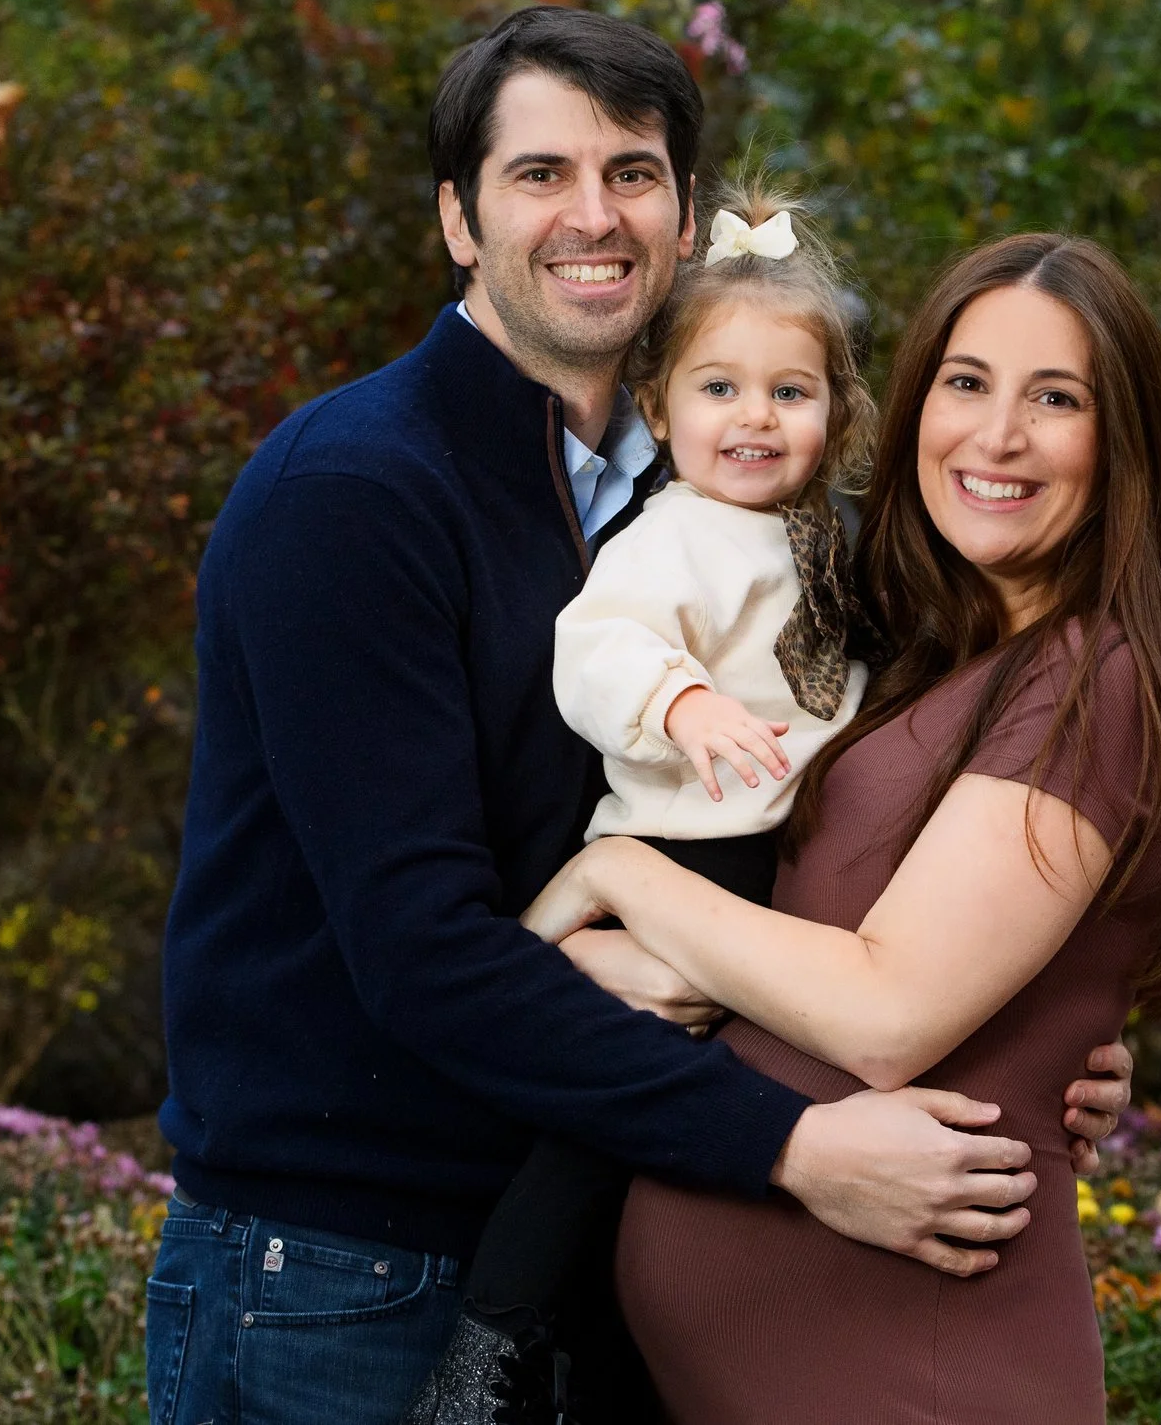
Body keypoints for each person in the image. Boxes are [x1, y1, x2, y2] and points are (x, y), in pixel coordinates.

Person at [144, 7, 1132, 1425]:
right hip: (350, 1267)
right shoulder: (354, 496)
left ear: (683, 215)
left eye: (632, 172)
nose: (593, 214)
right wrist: (792, 1142)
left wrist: (1039, 1033)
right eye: (539, 173)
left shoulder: (710, 492)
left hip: (609, 1228)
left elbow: (879, 828)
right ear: (457, 219)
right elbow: (419, 945)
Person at [523, 233, 1161, 1422]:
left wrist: (619, 872)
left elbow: (885, 1011)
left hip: (922, 1371)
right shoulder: (920, 652)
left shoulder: (1088, 679)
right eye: (967, 381)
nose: (996, 435)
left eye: (1054, 399)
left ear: (1124, 444)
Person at [415, 174, 881, 1416]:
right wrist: (681, 704)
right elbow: (597, 646)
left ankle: (615, 1361)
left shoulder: (825, 535)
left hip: (774, 859)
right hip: (686, 848)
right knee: (600, 1117)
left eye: (790, 392)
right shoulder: (672, 533)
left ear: (835, 412)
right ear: (661, 408)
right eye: (719, 389)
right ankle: (485, 1352)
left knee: (675, 1147)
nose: (754, 417)